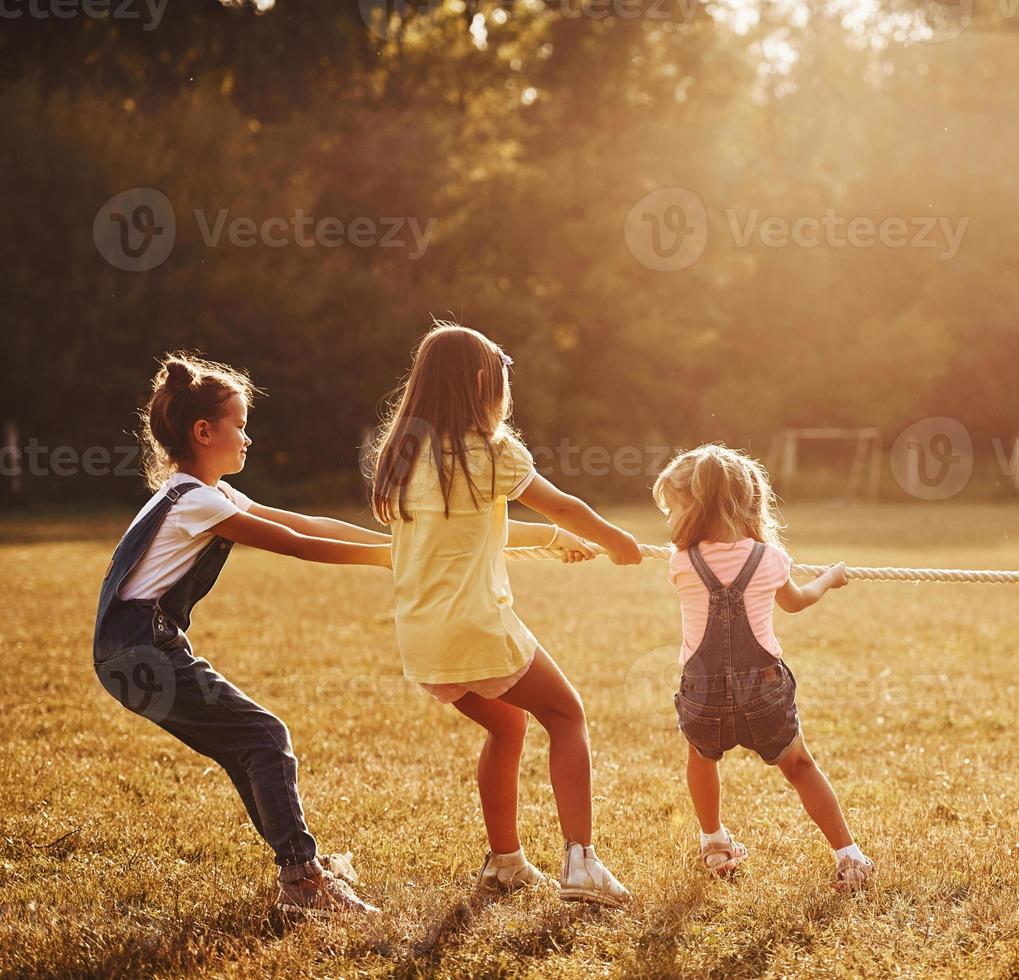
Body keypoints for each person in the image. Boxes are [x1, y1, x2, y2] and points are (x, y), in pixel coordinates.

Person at [93, 353, 388, 916]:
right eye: (241, 426)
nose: (250, 439)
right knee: (264, 738)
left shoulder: (203, 494)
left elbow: (303, 522)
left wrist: (396, 541)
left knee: (249, 747)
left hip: (135, 655)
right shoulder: (197, 502)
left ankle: (302, 873)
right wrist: (390, 562)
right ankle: (304, 884)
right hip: (144, 655)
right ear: (204, 432)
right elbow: (298, 545)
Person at [371, 320, 641, 906]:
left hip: (422, 640)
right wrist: (618, 540)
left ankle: (505, 863)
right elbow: (565, 503)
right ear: (478, 382)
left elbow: (468, 528)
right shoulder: (491, 451)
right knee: (567, 715)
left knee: (507, 724)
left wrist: (549, 541)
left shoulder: (404, 455)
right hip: (477, 627)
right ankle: (582, 865)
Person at [652, 444, 874, 890]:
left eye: (673, 509)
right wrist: (830, 577)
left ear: (697, 508)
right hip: (763, 694)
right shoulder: (770, 559)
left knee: (700, 758)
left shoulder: (680, 564)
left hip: (703, 695)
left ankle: (714, 843)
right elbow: (796, 602)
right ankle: (849, 857)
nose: (669, 522)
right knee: (800, 768)